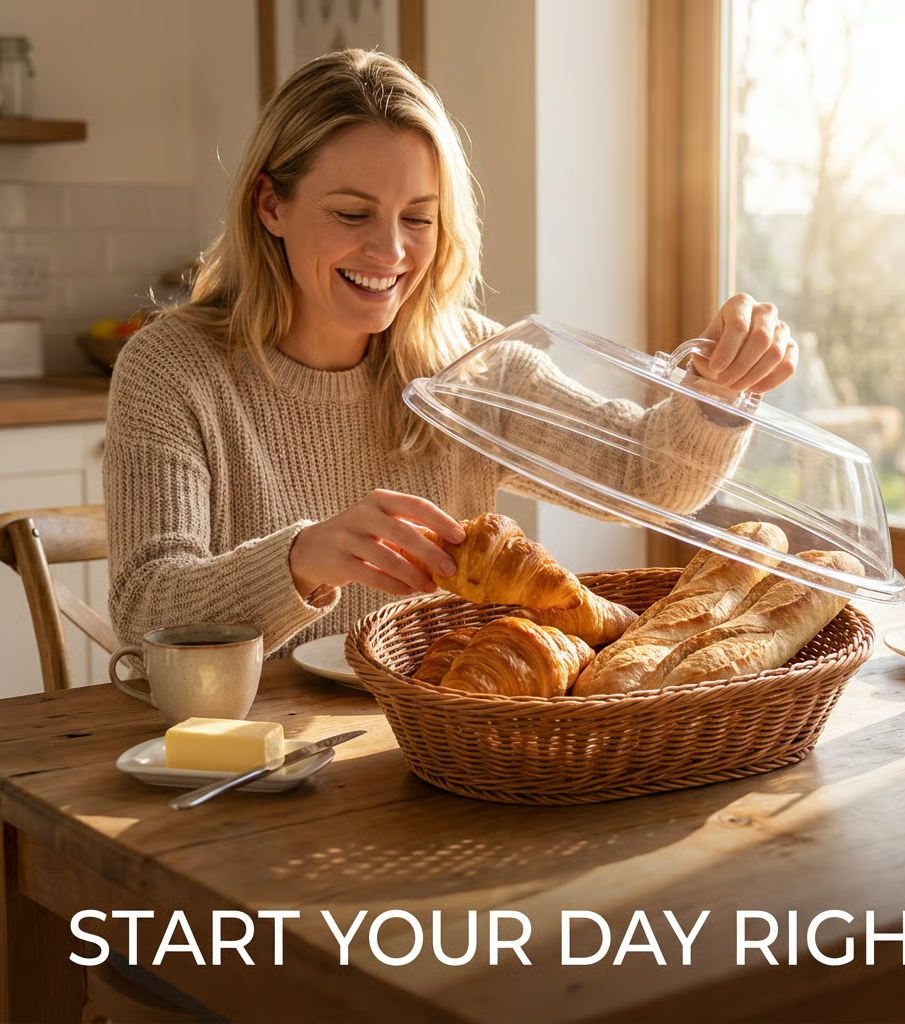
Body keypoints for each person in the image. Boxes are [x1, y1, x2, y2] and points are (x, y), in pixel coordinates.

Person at [104, 48, 798, 658]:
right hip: (256, 759)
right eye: (352, 214)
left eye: (418, 218)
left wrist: (722, 386)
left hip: (449, 743)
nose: (390, 251)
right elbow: (146, 613)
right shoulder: (173, 369)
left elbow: (646, 474)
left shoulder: (469, 363)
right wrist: (302, 558)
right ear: (270, 206)